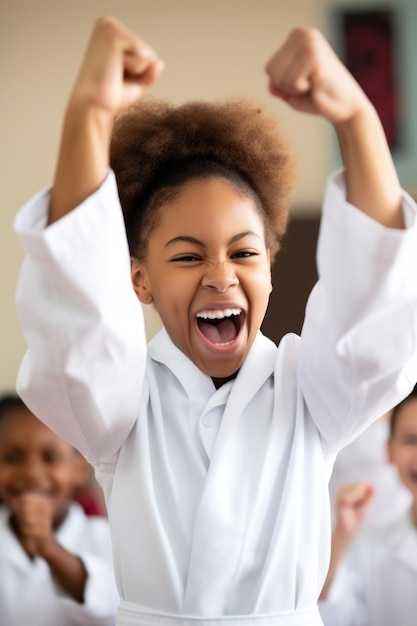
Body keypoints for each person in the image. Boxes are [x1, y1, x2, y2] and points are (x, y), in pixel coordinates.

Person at [13, 15, 417, 626]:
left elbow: (373, 298)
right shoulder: (121, 402)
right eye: (187, 255)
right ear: (138, 278)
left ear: (272, 269)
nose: (221, 274)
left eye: (244, 251)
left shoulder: (313, 393)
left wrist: (356, 117)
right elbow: (81, 312)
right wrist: (90, 114)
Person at [0, 393, 119, 626]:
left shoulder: (105, 538)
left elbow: (110, 606)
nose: (32, 473)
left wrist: (48, 547)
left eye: (51, 457)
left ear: (79, 468)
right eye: (12, 458)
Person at [319, 385, 417, 625]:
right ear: (389, 451)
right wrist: (342, 535)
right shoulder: (367, 548)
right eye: (410, 440)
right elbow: (333, 618)